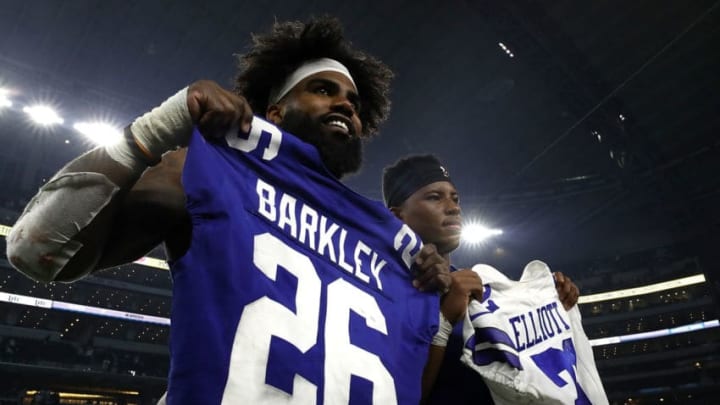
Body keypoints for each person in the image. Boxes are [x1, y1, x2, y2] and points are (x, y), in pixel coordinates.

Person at [6, 17, 451, 404]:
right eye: (322, 89)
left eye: (353, 103)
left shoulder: (391, 247)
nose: (345, 106)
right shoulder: (208, 172)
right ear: (274, 113)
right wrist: (160, 126)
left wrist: (437, 306)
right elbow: (38, 249)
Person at [382, 154, 581, 404]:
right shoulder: (382, 286)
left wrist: (548, 310)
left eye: (455, 198)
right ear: (397, 216)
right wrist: (445, 319)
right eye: (434, 197)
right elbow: (396, 395)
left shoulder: (476, 286)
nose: (453, 207)